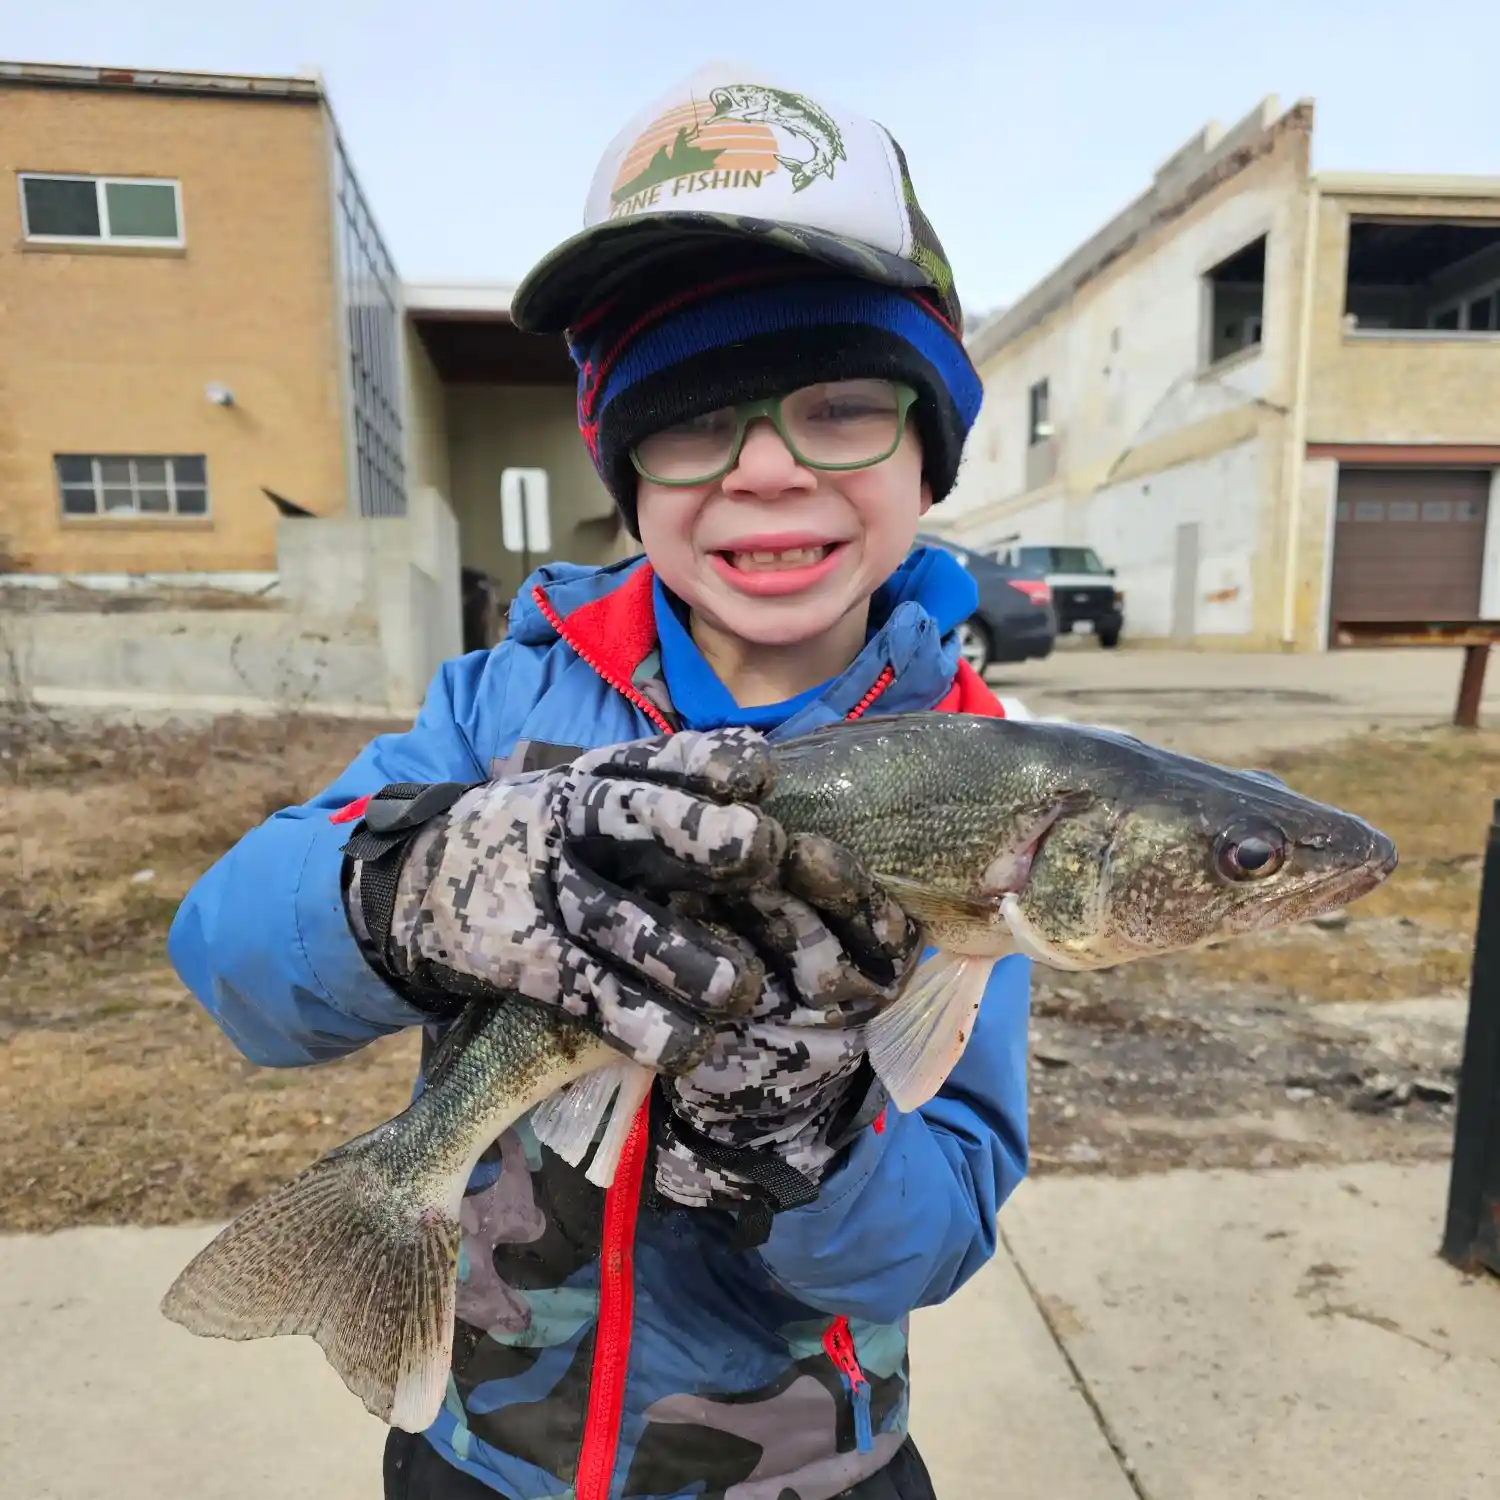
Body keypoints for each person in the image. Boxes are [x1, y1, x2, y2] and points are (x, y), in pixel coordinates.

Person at [168, 61, 1032, 1500]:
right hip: (480, 1460)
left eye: (838, 406)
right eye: (692, 419)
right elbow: (232, 960)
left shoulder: (988, 776)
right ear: (624, 466)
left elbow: (935, 1233)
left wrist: (804, 1145)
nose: (762, 471)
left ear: (928, 447)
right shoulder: (498, 701)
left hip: (802, 1474)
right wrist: (403, 886)